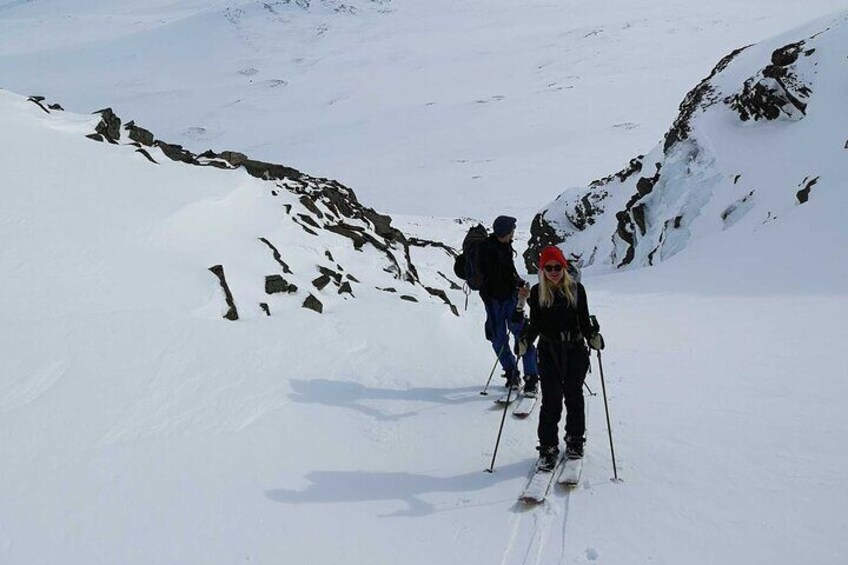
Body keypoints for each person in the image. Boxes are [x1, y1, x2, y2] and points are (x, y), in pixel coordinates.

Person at [517, 245, 604, 471]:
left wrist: (593, 336)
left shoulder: (576, 290)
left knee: (574, 396)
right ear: (543, 269)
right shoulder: (537, 292)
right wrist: (526, 339)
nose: (553, 271)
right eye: (549, 267)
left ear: (564, 267)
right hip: (548, 351)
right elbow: (535, 322)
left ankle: (575, 440)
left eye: (557, 267)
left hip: (575, 349)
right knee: (551, 400)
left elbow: (584, 320)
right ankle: (548, 447)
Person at [478, 215, 539, 393]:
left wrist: (518, 283)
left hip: (494, 301)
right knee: (520, 335)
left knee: (500, 338)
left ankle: (514, 373)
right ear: (506, 232)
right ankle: (530, 377)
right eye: (512, 230)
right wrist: (518, 285)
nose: (513, 234)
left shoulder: (500, 246)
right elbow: (500, 277)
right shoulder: (491, 250)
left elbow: (507, 274)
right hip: (502, 300)